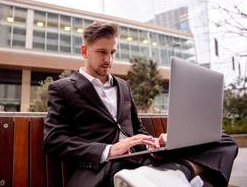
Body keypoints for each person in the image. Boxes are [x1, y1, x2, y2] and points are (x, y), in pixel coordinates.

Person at [43, 21, 238, 187]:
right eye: (102, 52)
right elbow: (54, 140)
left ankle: (181, 172)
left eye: (112, 52)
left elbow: (137, 128)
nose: (108, 59)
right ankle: (178, 177)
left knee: (221, 140)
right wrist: (109, 149)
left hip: (142, 160)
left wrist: (153, 143)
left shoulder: (123, 86)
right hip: (105, 168)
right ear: (85, 51)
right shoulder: (62, 88)